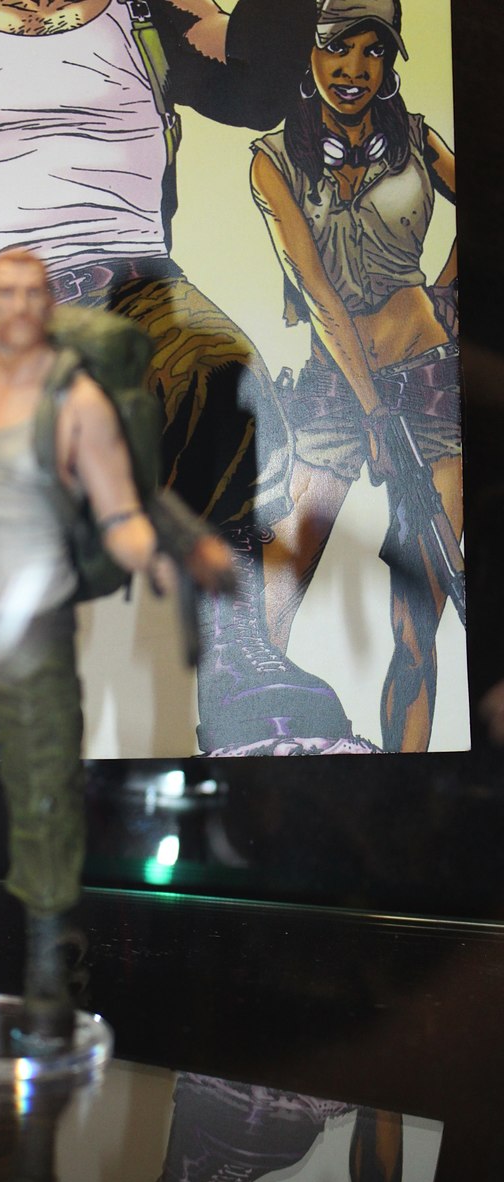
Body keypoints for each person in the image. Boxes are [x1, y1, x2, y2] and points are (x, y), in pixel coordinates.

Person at [0, 0, 319, 755]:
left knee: (223, 373)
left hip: (136, 291)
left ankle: (238, 662)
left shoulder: (148, 11)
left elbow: (256, 85)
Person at [0, 249, 233, 1042]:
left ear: (48, 305)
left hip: (34, 629)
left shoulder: (77, 401)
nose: (21, 308)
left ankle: (48, 973)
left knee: (43, 800)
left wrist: (161, 555)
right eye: (7, 294)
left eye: (34, 294)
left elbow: (120, 512)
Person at [249, 0, 461, 752]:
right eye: (339, 47)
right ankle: (260, 763)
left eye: (375, 50)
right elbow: (316, 291)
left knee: (418, 624)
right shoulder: (273, 160)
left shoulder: (417, 138)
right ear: (309, 53)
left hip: (431, 387)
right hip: (335, 395)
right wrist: (373, 410)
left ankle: (409, 781)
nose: (355, 68)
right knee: (269, 605)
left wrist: (446, 294)